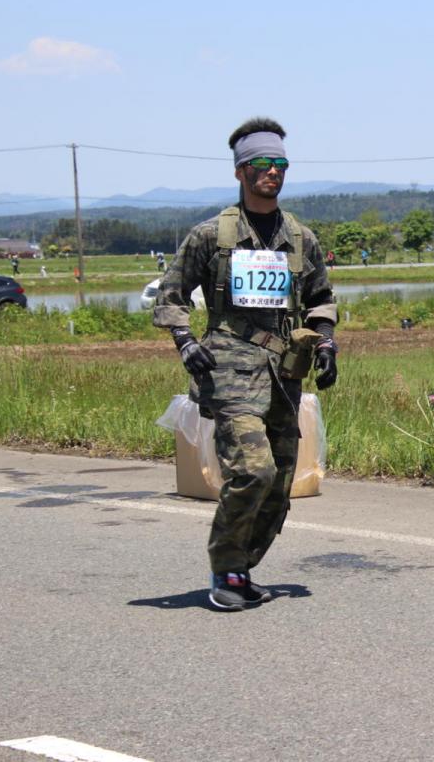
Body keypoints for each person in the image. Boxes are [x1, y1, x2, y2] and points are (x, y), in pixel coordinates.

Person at [154, 116, 340, 612]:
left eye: (279, 164)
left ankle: (242, 568)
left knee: (279, 484)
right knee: (253, 471)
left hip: (284, 374)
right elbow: (171, 294)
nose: (271, 173)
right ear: (240, 172)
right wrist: (183, 339)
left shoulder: (300, 238)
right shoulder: (211, 236)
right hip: (230, 369)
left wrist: (325, 342)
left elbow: (321, 297)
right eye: (260, 164)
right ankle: (226, 568)